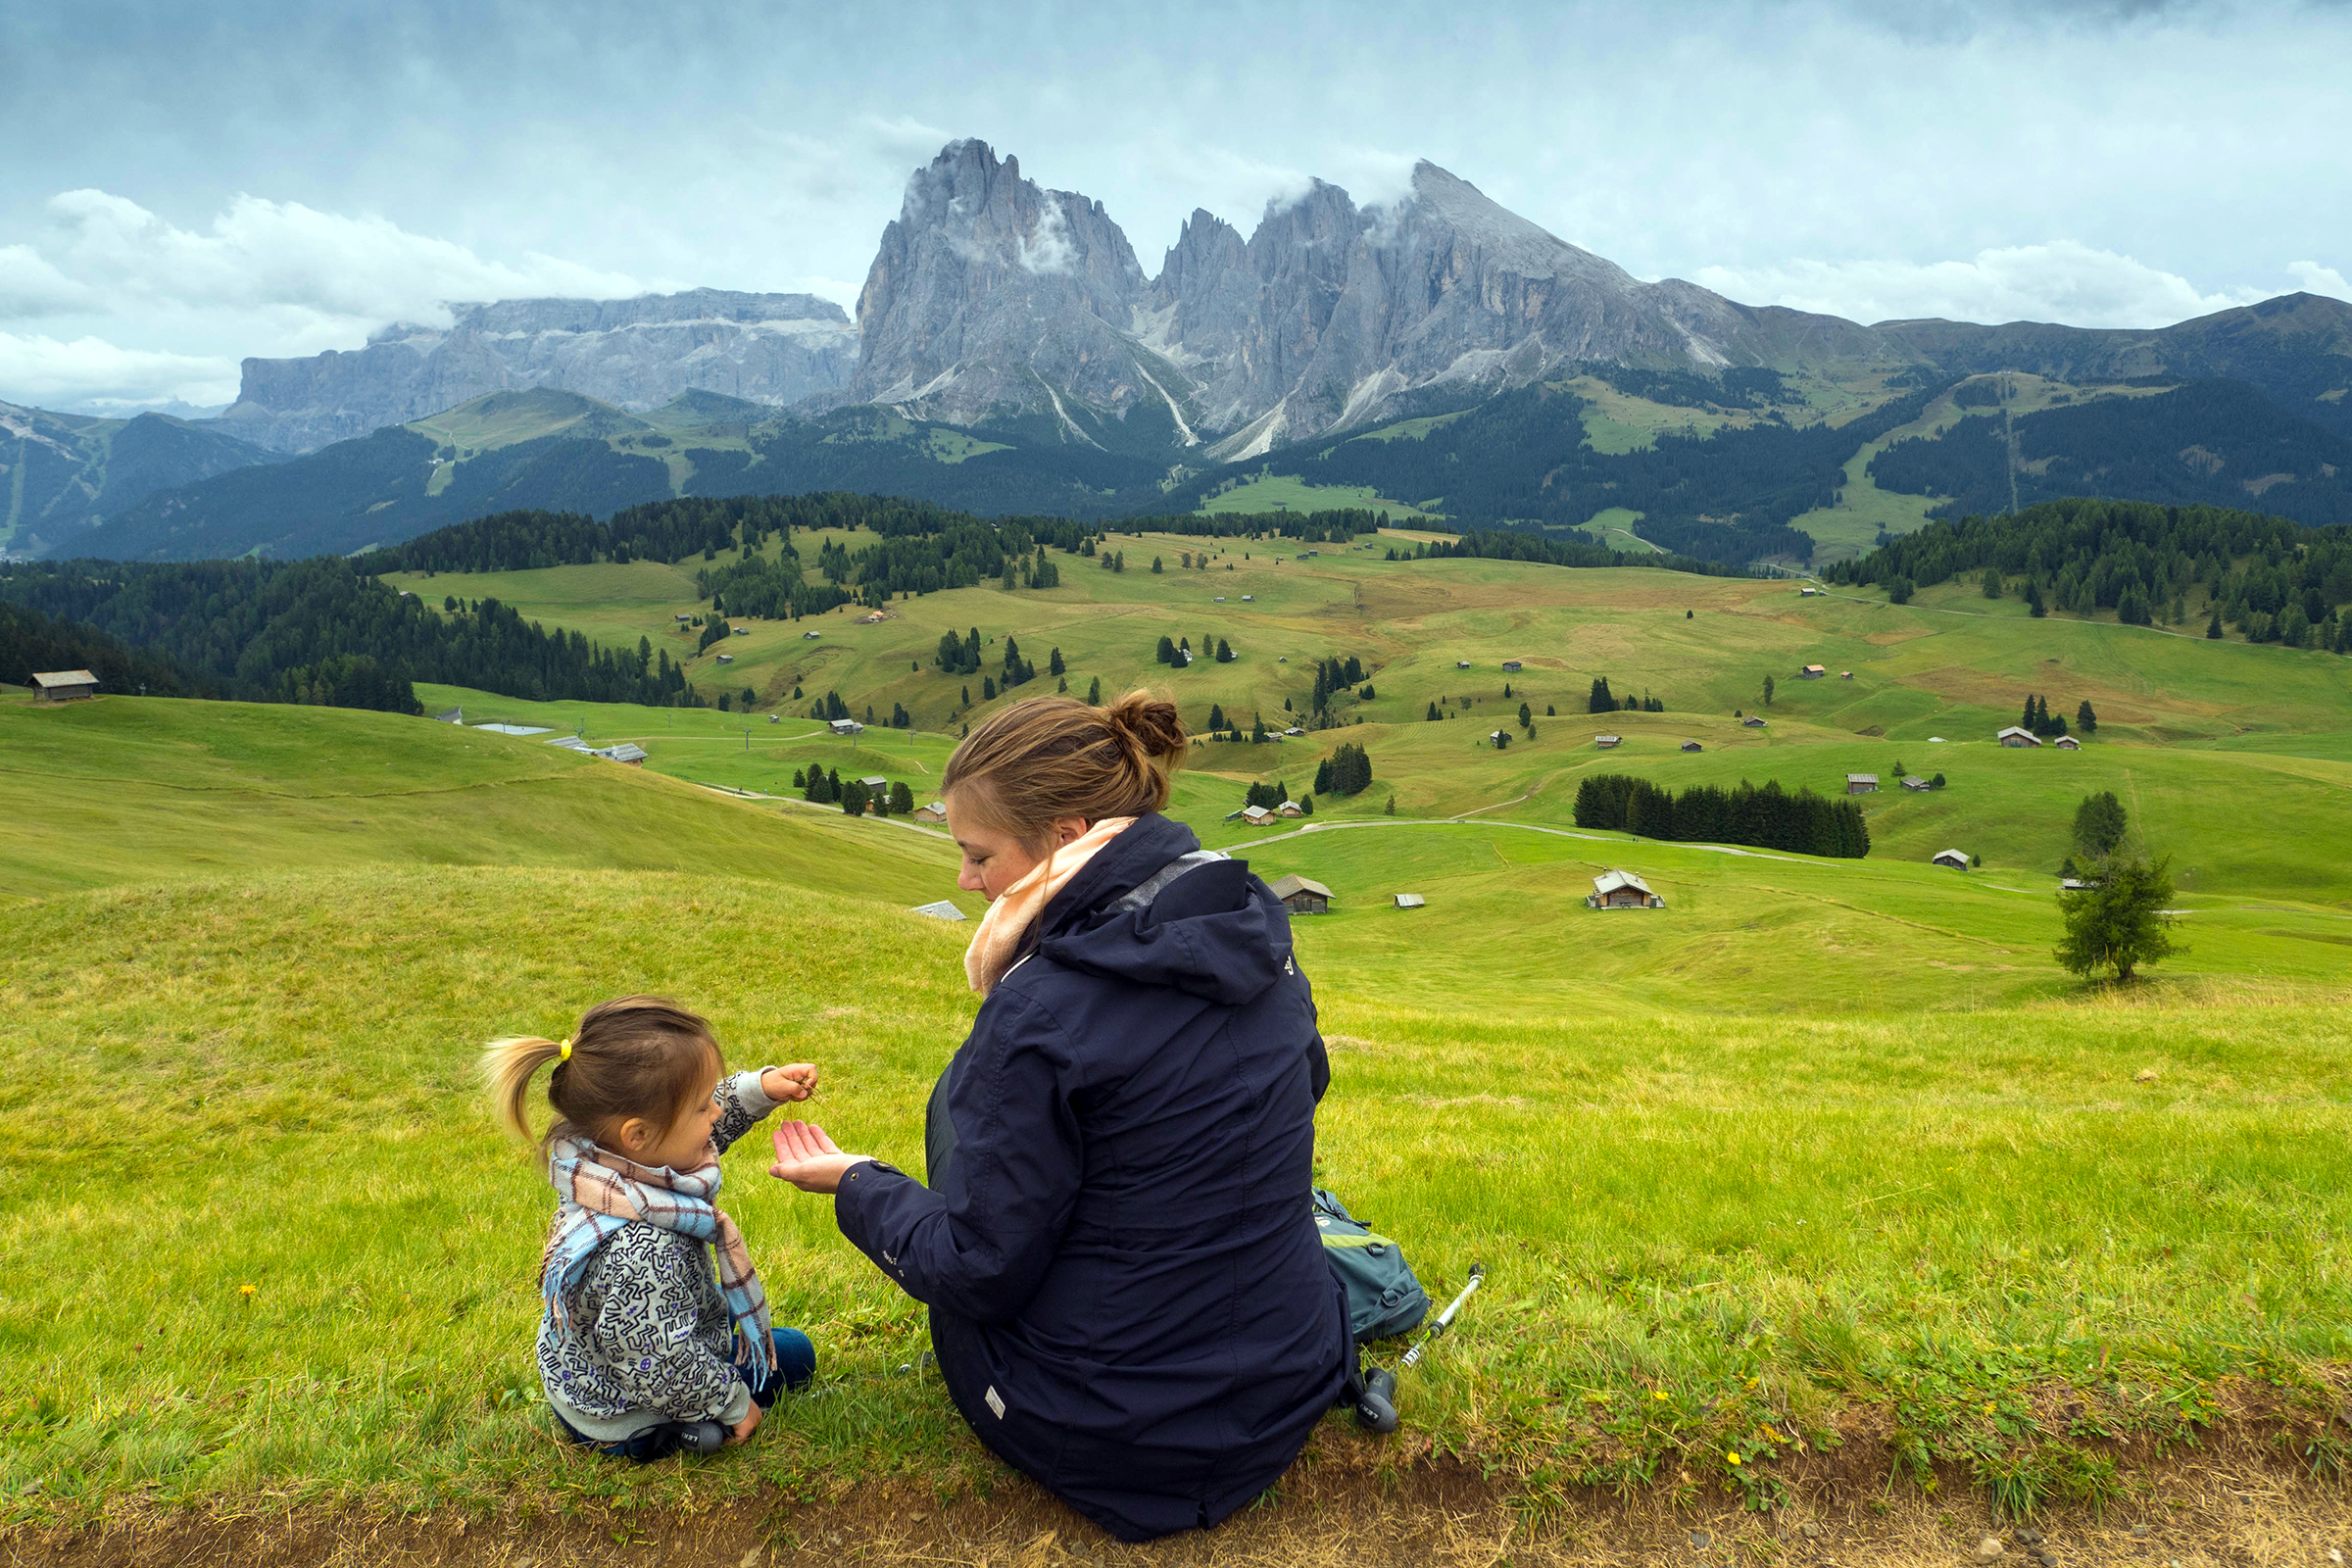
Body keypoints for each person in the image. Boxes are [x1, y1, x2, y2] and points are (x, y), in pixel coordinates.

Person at [767, 693, 1348, 1541]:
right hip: (1291, 1377)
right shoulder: (1246, 917)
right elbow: (1310, 1082)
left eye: (978, 855)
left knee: (955, 1110)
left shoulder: (1041, 1008)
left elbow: (979, 1270)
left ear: (1069, 837)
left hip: (1112, 1437)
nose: (965, 882)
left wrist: (857, 1183)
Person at [483, 996, 821, 1461]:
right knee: (796, 1357)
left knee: (749, 1345)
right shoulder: (642, 1249)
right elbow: (656, 1364)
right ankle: (665, 1432)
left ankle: (699, 1378)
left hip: (598, 1355)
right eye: (704, 1106)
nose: (715, 1115)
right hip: (619, 1401)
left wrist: (760, 1089)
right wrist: (733, 1403)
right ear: (637, 1134)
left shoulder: (603, 1166)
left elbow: (695, 1132)